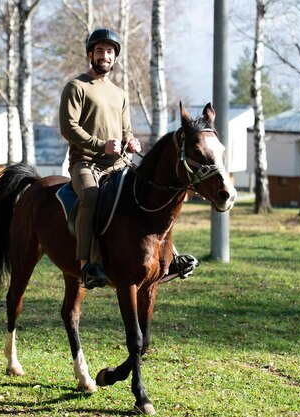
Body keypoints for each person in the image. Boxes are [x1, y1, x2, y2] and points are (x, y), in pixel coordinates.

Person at [59, 28, 199, 289]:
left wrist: (130, 141)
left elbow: (125, 130)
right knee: (90, 196)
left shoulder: (120, 93)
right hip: (86, 163)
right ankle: (87, 265)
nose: (104, 56)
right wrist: (101, 146)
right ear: (90, 54)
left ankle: (171, 257)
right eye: (99, 51)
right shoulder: (76, 87)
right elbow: (69, 127)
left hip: (118, 163)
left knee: (149, 195)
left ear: (115, 58)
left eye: (109, 52)